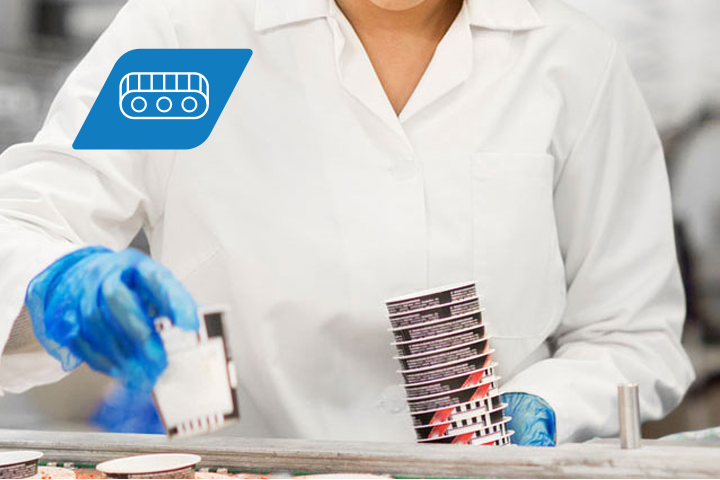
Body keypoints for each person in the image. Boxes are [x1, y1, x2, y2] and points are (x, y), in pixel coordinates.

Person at [0, 0, 694, 445]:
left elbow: (631, 334)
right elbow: (27, 220)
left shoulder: (568, 58)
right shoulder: (191, 37)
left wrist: (545, 407)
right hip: (242, 467)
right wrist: (57, 283)